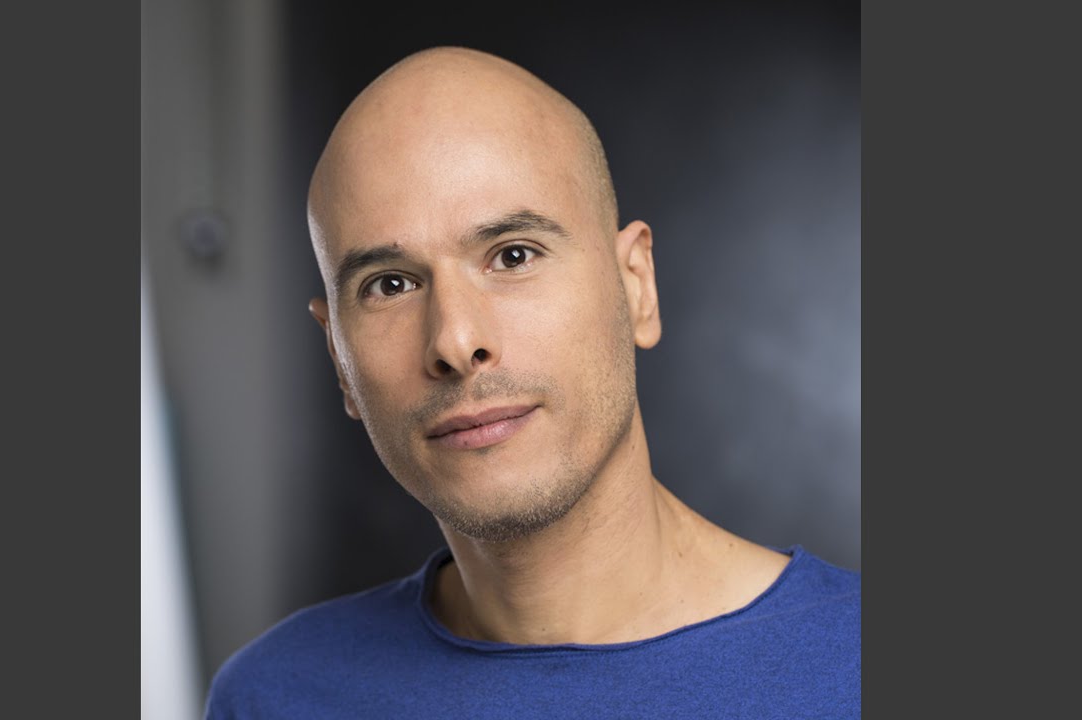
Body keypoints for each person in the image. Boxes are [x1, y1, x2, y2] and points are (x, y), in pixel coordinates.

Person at [205, 46, 859, 719]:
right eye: (390, 285)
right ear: (340, 359)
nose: (455, 341)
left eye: (513, 255)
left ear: (636, 287)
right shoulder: (273, 697)